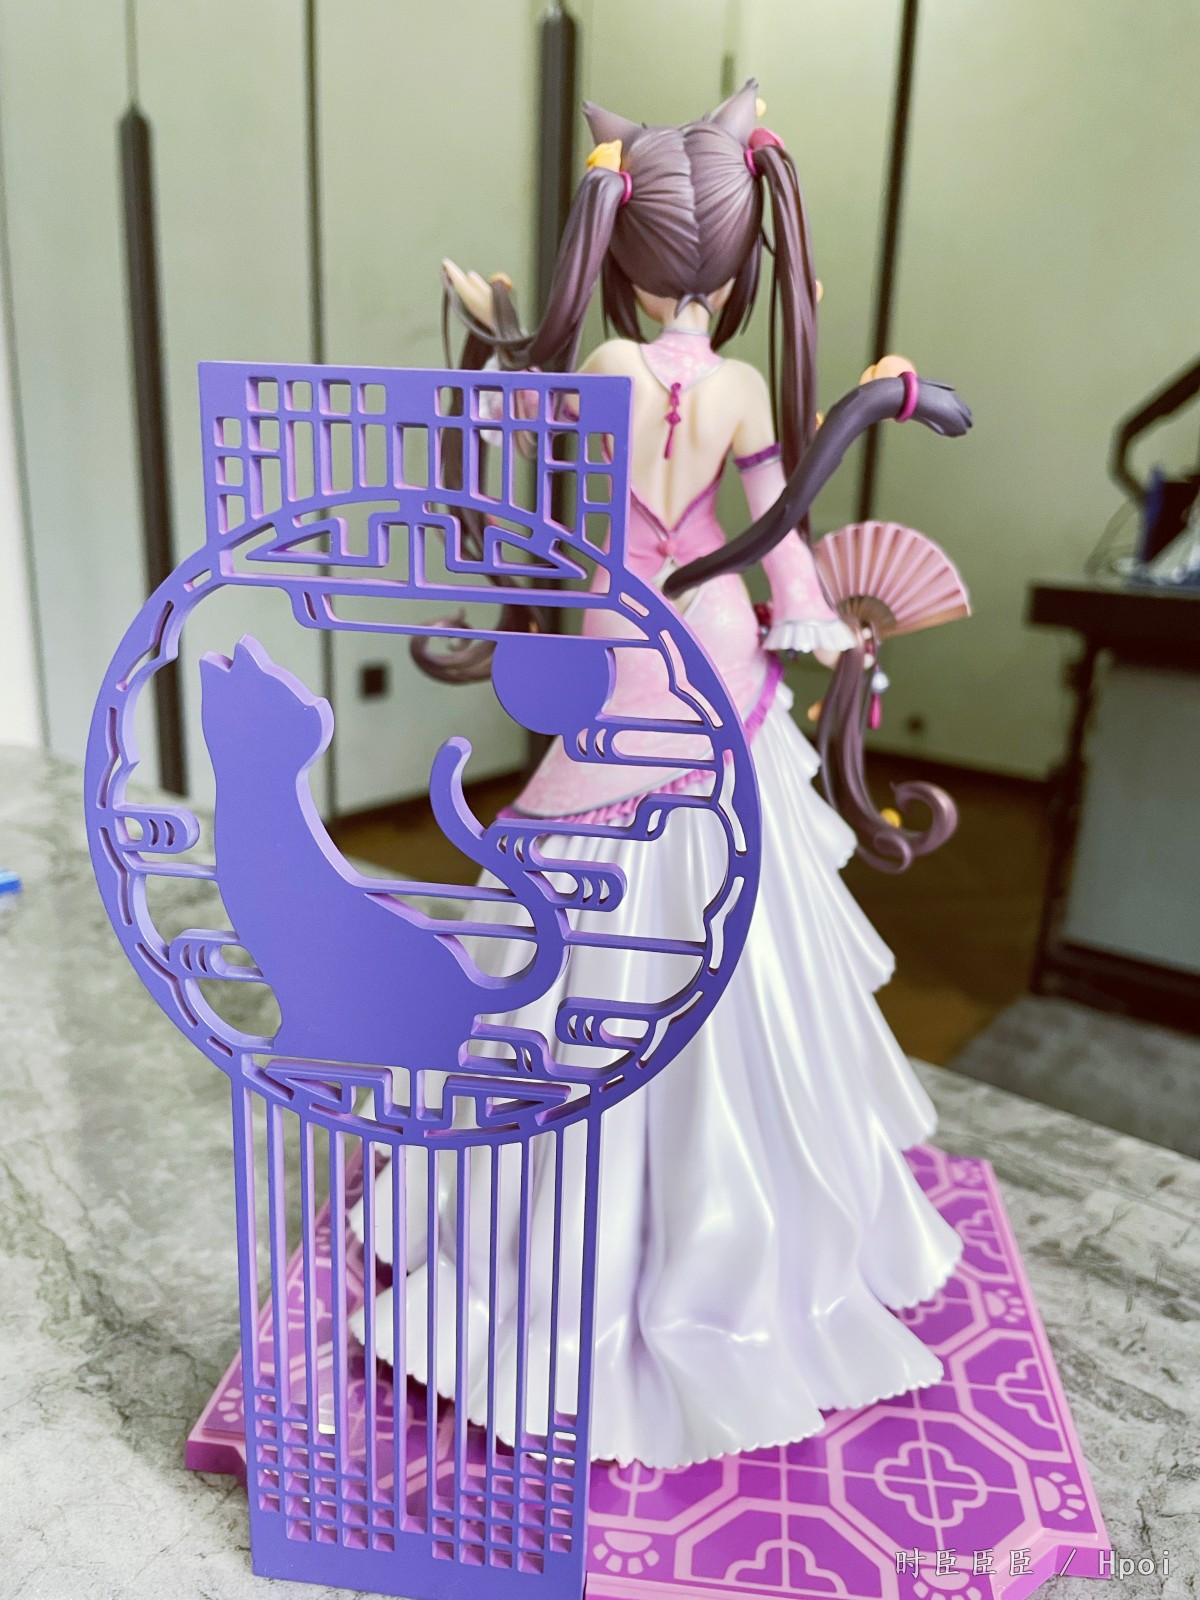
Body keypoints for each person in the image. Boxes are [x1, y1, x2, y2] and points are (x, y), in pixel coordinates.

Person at [352, 80, 969, 1470]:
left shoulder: (600, 371)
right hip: (719, 647)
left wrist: (496, 333)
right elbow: (779, 534)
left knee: (586, 878)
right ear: (741, 264)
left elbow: (542, 504)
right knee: (739, 897)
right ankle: (741, 1200)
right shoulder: (743, 388)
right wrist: (808, 618)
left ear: (621, 257)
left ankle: (569, 1174)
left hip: (618, 638)